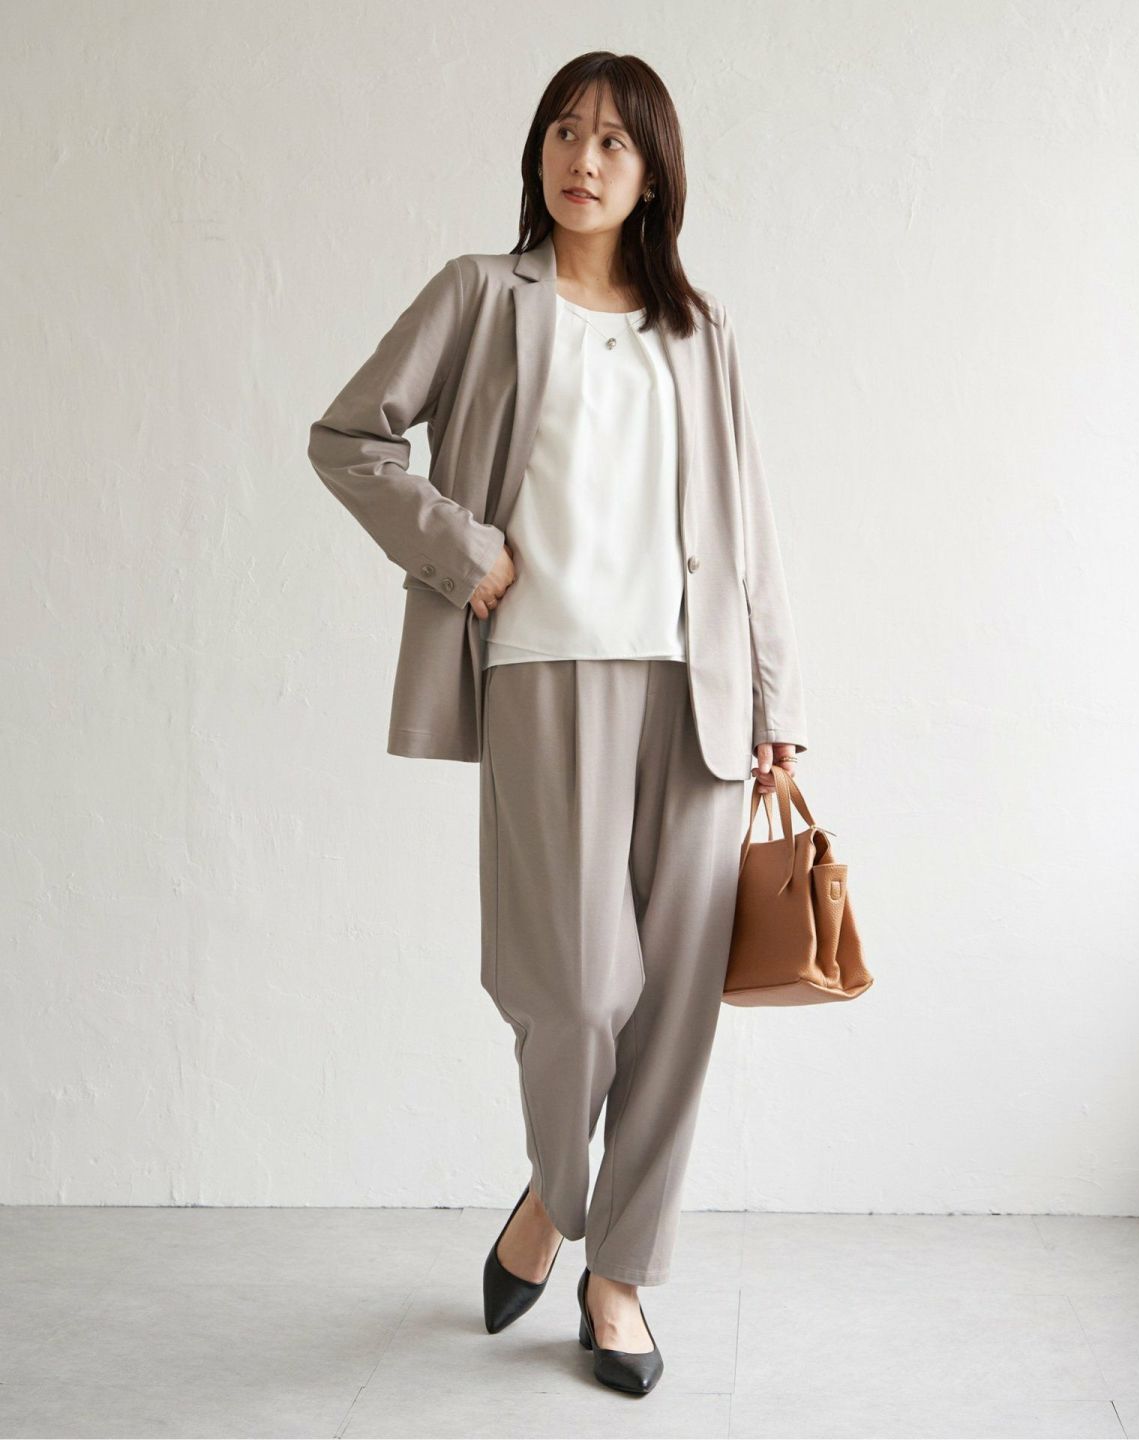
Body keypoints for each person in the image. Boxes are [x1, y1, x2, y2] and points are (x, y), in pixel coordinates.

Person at [307, 51, 809, 1397]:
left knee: (676, 1009)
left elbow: (749, 535)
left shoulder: (701, 332)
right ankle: (553, 1190)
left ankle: (617, 1276)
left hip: (699, 697)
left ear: (653, 174)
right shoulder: (483, 295)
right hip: (544, 673)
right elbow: (350, 437)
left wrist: (779, 702)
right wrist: (461, 549)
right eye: (564, 134)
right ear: (538, 154)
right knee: (579, 992)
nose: (583, 160)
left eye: (614, 142)